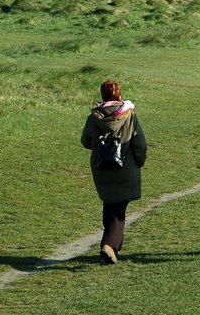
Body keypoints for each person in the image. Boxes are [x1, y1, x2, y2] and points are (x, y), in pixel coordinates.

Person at [80, 80, 148, 265]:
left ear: (103, 95)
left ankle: (114, 245)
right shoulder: (130, 116)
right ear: (119, 94)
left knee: (110, 204)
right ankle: (109, 246)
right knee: (118, 211)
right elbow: (139, 144)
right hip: (124, 169)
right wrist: (140, 161)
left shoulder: (93, 117)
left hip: (101, 169)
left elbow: (85, 141)